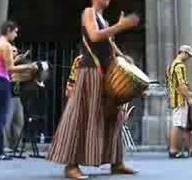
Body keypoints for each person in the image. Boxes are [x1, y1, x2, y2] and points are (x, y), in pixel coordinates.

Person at [47, 0, 140, 178]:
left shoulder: (102, 18)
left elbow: (108, 43)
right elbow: (95, 36)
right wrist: (120, 26)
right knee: (82, 116)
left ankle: (116, 162)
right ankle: (71, 165)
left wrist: (122, 56)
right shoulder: (88, 12)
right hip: (91, 71)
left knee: (113, 115)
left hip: (106, 72)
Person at [0, 21, 37, 160]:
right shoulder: (7, 46)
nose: (16, 35)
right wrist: (30, 66)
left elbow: (1, 64)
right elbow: (10, 69)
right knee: (0, 118)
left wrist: (15, 59)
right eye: (15, 32)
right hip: (1, 82)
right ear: (8, 30)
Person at [165, 45, 192, 158]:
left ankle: (191, 149)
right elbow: (181, 84)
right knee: (178, 124)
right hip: (180, 99)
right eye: (189, 55)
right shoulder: (179, 65)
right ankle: (173, 150)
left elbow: (170, 84)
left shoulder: (170, 66)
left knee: (185, 125)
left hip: (175, 97)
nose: (189, 58)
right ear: (184, 53)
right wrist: (189, 98)